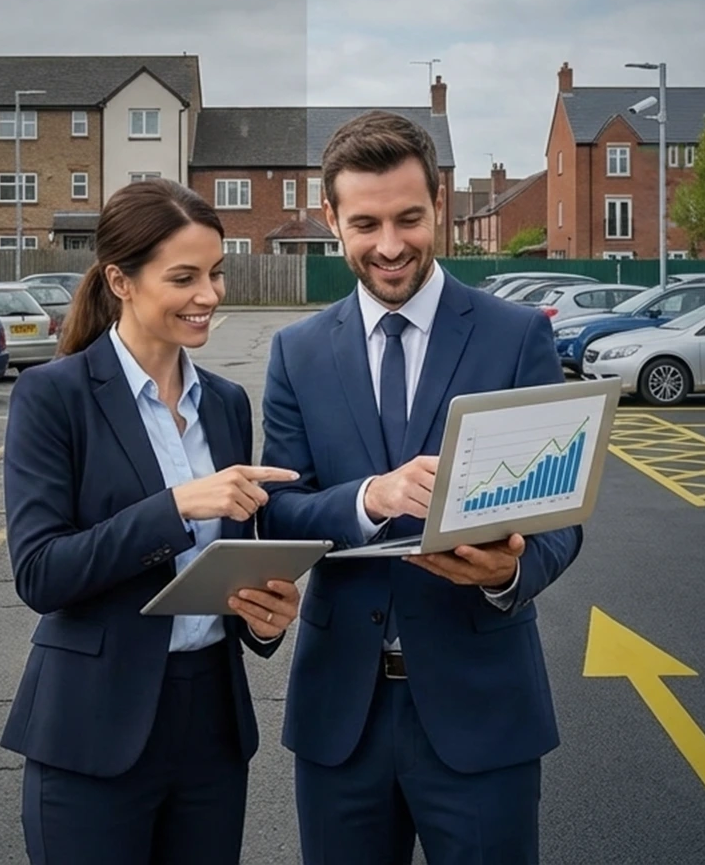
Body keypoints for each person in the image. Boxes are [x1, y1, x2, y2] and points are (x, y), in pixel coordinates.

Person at [260, 112, 576, 864]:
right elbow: (279, 512)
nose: (391, 245)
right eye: (366, 223)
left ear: (439, 204)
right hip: (343, 716)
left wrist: (511, 573)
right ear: (332, 219)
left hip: (482, 708)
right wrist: (369, 497)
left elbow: (560, 517)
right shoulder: (296, 352)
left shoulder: (516, 335)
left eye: (409, 218)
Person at [0, 178, 302, 865]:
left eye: (217, 273)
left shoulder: (226, 404)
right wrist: (176, 506)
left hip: (211, 730)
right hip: (92, 728)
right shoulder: (54, 396)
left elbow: (231, 566)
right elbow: (41, 574)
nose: (210, 295)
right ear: (121, 280)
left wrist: (263, 615)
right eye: (185, 277)